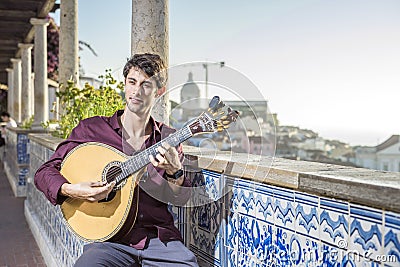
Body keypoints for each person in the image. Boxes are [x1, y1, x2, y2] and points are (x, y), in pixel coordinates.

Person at [34, 53, 198, 267]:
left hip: (158, 239)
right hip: (109, 240)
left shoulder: (168, 139)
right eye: (132, 82)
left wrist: (175, 172)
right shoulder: (92, 130)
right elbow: (45, 172)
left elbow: (180, 199)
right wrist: (74, 190)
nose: (137, 91)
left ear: (159, 92)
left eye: (146, 85)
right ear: (125, 84)